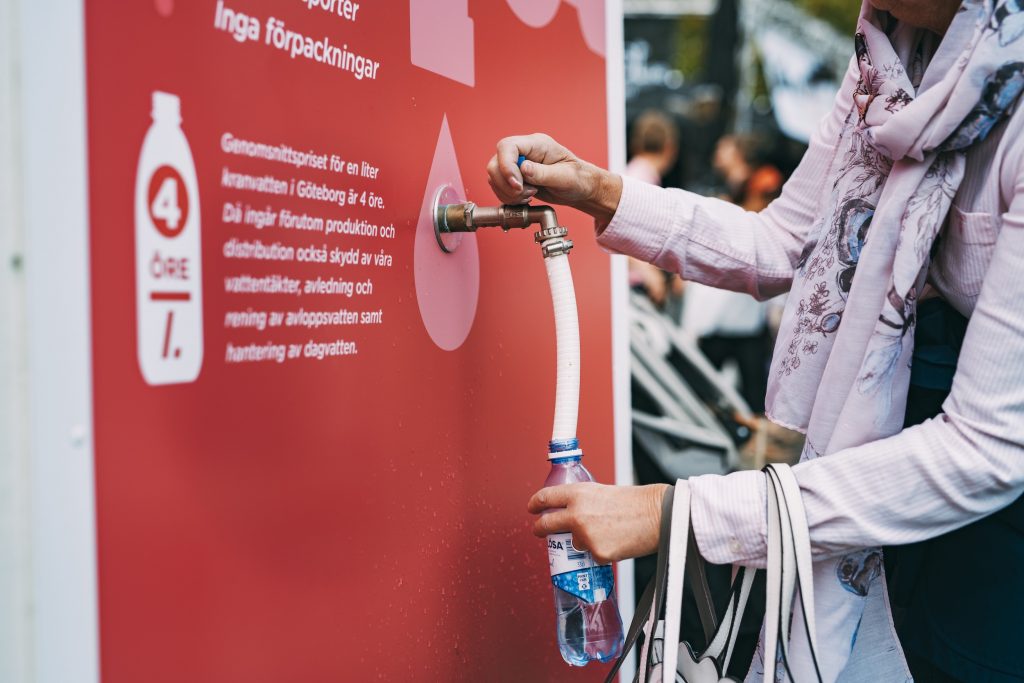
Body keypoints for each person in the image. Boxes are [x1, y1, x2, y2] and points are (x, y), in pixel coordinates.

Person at [487, 0, 1024, 680]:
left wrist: (678, 513)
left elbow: (986, 448)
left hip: (983, 519)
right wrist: (598, 189)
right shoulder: (885, 54)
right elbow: (783, 242)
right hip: (866, 464)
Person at [623, 110, 680, 308]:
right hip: (635, 287)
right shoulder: (642, 180)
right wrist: (650, 275)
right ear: (670, 148)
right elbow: (622, 233)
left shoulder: (635, 173)